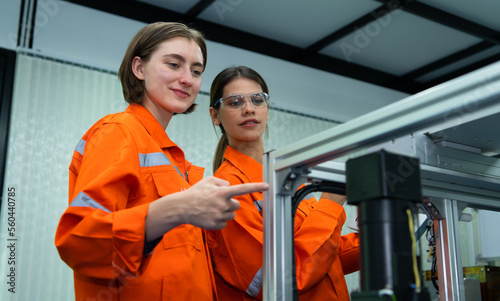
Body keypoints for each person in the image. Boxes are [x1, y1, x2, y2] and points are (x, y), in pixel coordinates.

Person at [54, 23, 268, 301]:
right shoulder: (119, 132)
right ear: (139, 69)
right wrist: (173, 209)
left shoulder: (174, 163)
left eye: (196, 71)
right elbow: (78, 240)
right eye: (174, 64)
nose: (187, 79)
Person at [207, 66, 359, 300]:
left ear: (267, 110)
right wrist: (330, 205)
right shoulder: (227, 190)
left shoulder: (284, 178)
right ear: (215, 115)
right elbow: (282, 282)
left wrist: (380, 231)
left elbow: (325, 257)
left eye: (257, 100)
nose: (249, 109)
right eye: (235, 102)